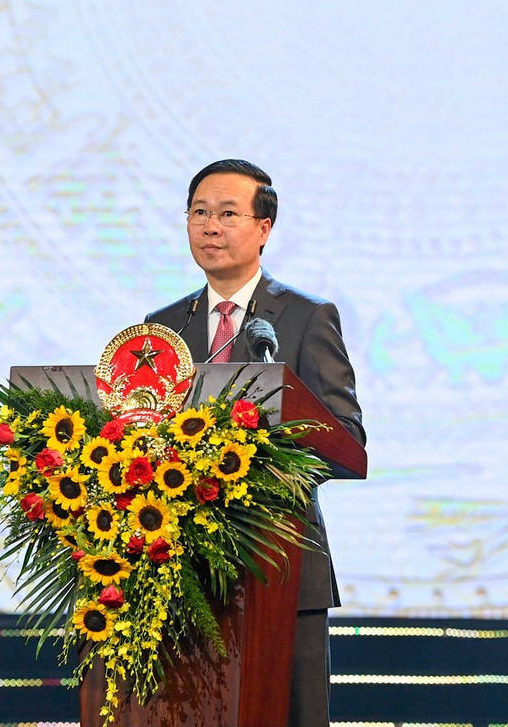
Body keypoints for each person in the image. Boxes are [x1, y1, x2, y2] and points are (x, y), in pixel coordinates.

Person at [145, 158, 365, 726]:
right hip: (180, 570)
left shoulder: (306, 318)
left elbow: (345, 436)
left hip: (281, 564)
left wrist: (255, 463)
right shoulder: (161, 327)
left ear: (263, 228)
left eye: (226, 214)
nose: (210, 227)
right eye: (199, 213)